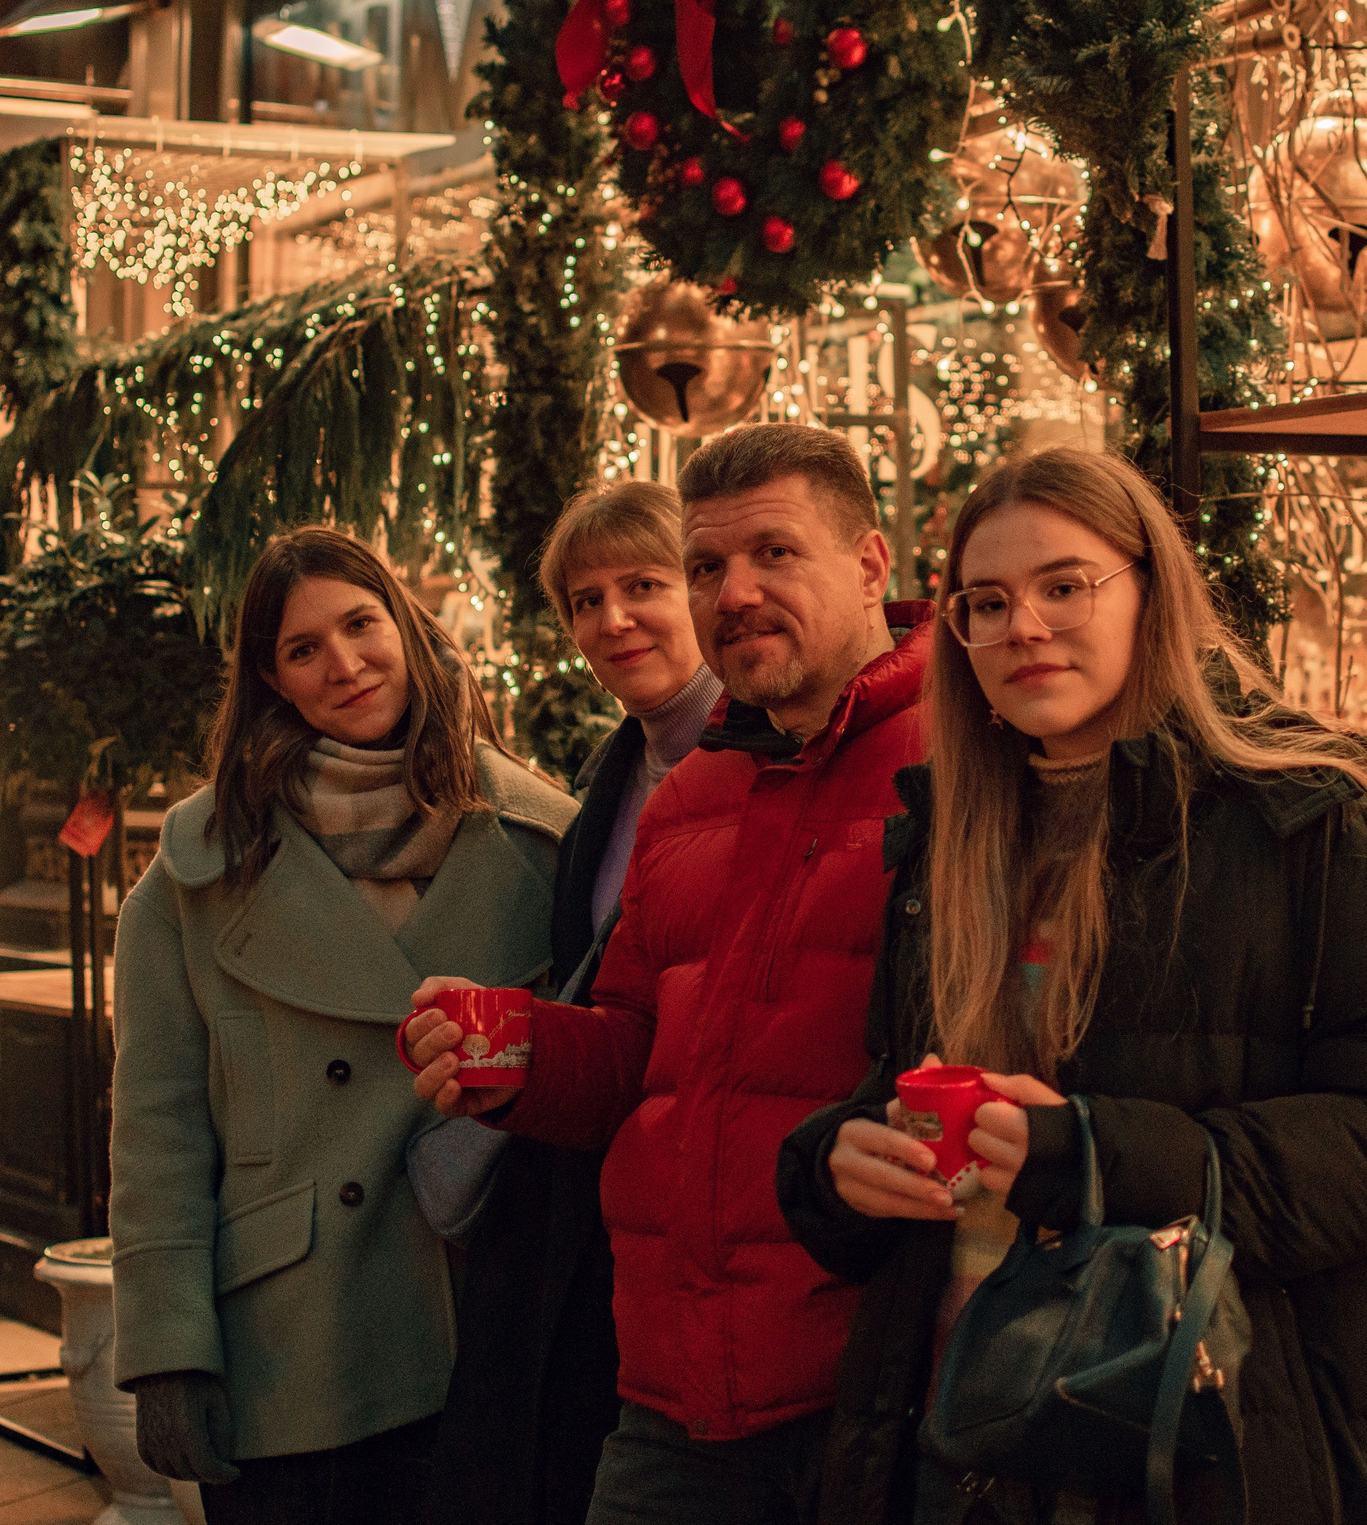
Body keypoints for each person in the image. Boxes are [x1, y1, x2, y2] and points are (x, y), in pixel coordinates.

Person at [778, 446, 1367, 1525]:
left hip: (1212, 1429)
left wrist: (1101, 1156)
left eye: (1065, 586)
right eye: (986, 602)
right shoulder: (947, 841)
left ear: (1151, 590)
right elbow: (899, 1089)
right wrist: (837, 1164)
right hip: (970, 1425)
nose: (1026, 627)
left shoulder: (1299, 815)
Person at [403, 423, 931, 1525]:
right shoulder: (686, 795)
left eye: (773, 553)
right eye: (706, 567)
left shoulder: (966, 762)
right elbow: (639, 1047)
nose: (732, 593)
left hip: (881, 1386)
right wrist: (517, 1051)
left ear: (872, 562)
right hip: (675, 1389)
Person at [111, 526, 576, 1525]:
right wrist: (165, 1348)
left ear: (405, 625)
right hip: (294, 1345)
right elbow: (158, 1131)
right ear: (271, 681)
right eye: (302, 648)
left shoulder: (543, 841)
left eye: (361, 624)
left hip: (485, 1329)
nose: (345, 664)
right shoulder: (195, 873)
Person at [433, 481, 724, 1525]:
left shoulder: (751, 755)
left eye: (642, 585)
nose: (612, 620)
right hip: (595, 1196)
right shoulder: (619, 767)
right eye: (584, 601)